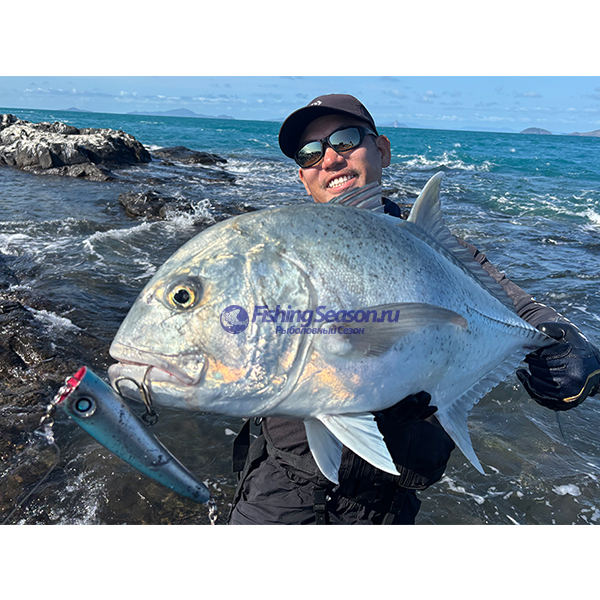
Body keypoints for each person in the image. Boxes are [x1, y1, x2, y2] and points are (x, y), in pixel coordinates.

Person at [228, 94, 600, 525]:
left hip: (386, 508)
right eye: (310, 153)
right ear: (302, 176)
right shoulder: (278, 252)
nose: (329, 159)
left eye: (345, 140)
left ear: (382, 149)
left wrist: (566, 342)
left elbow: (517, 307)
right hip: (278, 493)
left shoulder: (439, 252)